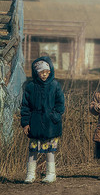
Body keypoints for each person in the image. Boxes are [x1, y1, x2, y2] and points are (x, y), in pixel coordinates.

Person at [20, 56, 65, 184]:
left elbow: (60, 104)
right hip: (35, 123)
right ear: (36, 73)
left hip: (51, 124)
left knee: (50, 150)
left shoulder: (55, 85)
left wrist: (54, 116)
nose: (44, 75)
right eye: (41, 72)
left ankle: (51, 174)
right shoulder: (30, 86)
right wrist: (25, 123)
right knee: (33, 149)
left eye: (47, 72)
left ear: (50, 71)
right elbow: (25, 107)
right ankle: (30, 175)